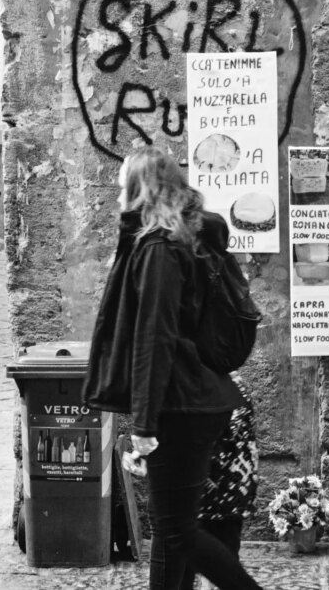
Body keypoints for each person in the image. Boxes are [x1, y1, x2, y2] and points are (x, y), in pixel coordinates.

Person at [81, 148, 262, 590]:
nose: (116, 188)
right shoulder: (174, 241)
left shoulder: (161, 248)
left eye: (122, 179)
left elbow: (153, 338)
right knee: (175, 528)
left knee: (177, 530)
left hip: (182, 404)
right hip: (193, 399)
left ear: (140, 185)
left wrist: (143, 422)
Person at [181, 371, 259, 590]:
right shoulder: (228, 383)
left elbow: (220, 437)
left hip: (219, 492)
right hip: (226, 491)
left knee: (216, 559)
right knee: (217, 556)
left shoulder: (223, 387)